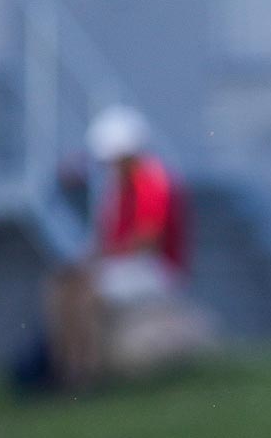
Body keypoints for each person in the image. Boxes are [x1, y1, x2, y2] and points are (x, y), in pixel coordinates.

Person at [43, 106, 209, 389]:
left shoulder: (152, 182)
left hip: (158, 269)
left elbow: (147, 242)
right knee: (59, 289)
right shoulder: (121, 188)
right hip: (127, 265)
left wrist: (99, 260)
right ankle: (66, 366)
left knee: (86, 296)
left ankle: (86, 373)